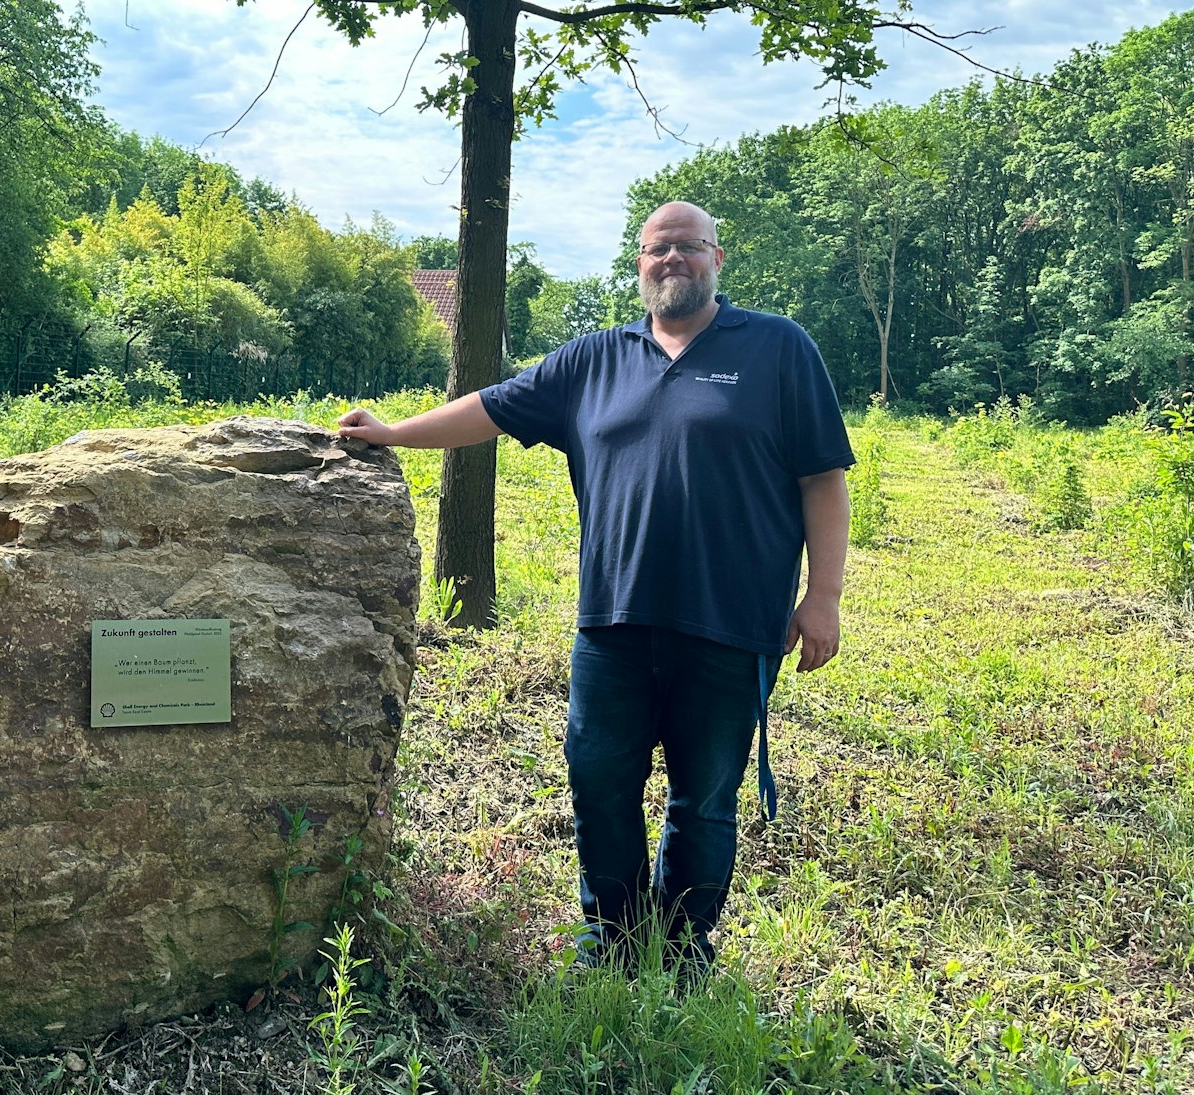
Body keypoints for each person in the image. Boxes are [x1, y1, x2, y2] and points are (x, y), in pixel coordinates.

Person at [339, 201, 852, 980]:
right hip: (613, 622)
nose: (672, 260)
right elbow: (490, 407)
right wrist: (392, 432)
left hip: (732, 623)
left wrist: (824, 596)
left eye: (688, 247)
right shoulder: (593, 361)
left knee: (704, 798)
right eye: (657, 250)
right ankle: (611, 936)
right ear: (639, 265)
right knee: (600, 780)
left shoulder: (778, 349)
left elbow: (823, 478)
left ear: (718, 258)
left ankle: (682, 950)